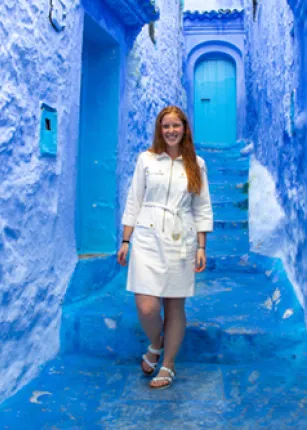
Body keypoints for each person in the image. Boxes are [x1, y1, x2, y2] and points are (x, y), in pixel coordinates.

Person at [117, 106, 213, 390]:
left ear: (185, 128)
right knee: (146, 307)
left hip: (179, 238)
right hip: (147, 238)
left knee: (174, 306)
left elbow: (202, 206)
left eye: (176, 126)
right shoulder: (146, 160)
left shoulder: (197, 163)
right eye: (165, 126)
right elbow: (134, 200)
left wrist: (201, 245)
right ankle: (156, 343)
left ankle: (168, 363)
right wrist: (125, 239)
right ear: (160, 129)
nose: (171, 131)